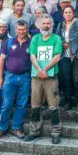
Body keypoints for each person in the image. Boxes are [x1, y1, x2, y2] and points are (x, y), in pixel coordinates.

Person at [24, 14, 62, 144]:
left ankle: (56, 132)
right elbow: (32, 56)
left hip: (51, 77)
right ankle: (34, 131)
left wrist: (45, 70)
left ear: (51, 25)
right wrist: (40, 70)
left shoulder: (57, 38)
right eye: (43, 23)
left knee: (53, 105)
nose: (46, 26)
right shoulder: (35, 38)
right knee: (35, 105)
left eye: (48, 23)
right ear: (40, 25)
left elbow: (57, 57)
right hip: (37, 77)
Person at [0, 20, 31, 140]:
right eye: (19, 29)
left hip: (25, 77)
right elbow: (1, 60)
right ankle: (2, 128)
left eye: (23, 29)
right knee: (6, 103)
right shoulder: (9, 42)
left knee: (22, 103)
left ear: (27, 29)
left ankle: (17, 128)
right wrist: (0, 77)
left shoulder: (32, 42)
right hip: (10, 76)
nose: (21, 31)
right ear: (16, 30)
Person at [56, 6, 78, 114]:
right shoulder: (60, 25)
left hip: (76, 55)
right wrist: (62, 43)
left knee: (77, 79)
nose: (68, 14)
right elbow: (57, 38)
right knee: (67, 79)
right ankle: (68, 102)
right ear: (63, 14)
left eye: (70, 12)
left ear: (73, 13)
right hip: (65, 55)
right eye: (66, 12)